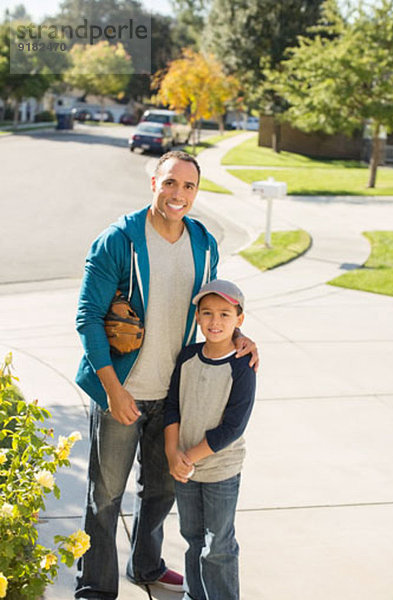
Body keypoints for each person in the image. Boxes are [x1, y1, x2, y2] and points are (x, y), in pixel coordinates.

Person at [74, 151, 258, 600]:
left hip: (175, 396)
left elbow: (211, 308)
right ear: (154, 182)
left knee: (160, 491)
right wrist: (113, 391)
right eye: (171, 183)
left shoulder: (204, 242)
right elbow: (88, 317)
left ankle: (147, 564)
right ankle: (95, 587)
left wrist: (240, 337)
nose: (179, 194)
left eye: (189, 186)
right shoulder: (118, 240)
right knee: (107, 498)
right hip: (125, 389)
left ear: (196, 192)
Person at [164, 279, 256, 600]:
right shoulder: (188, 357)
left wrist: (189, 455)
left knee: (218, 544)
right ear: (198, 318)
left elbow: (233, 426)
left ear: (239, 320)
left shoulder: (243, 365)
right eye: (207, 313)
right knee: (191, 537)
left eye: (224, 315)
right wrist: (173, 453)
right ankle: (195, 595)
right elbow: (172, 406)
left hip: (220, 470)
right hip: (185, 469)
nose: (215, 322)